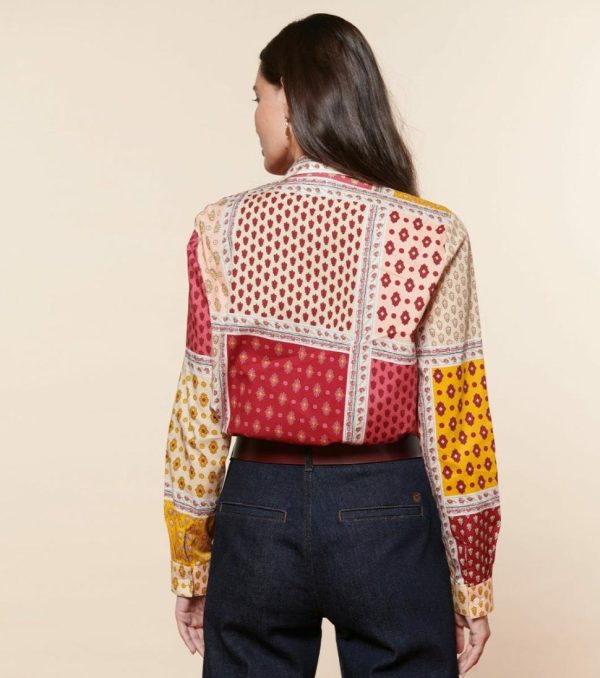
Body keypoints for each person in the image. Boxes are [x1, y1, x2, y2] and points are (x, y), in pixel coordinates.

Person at [163, 12, 501, 678]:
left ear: (291, 100)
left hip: (256, 509)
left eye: (258, 98)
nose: (255, 118)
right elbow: (456, 420)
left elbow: (199, 412)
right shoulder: (431, 232)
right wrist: (472, 582)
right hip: (385, 513)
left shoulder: (219, 227)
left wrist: (191, 563)